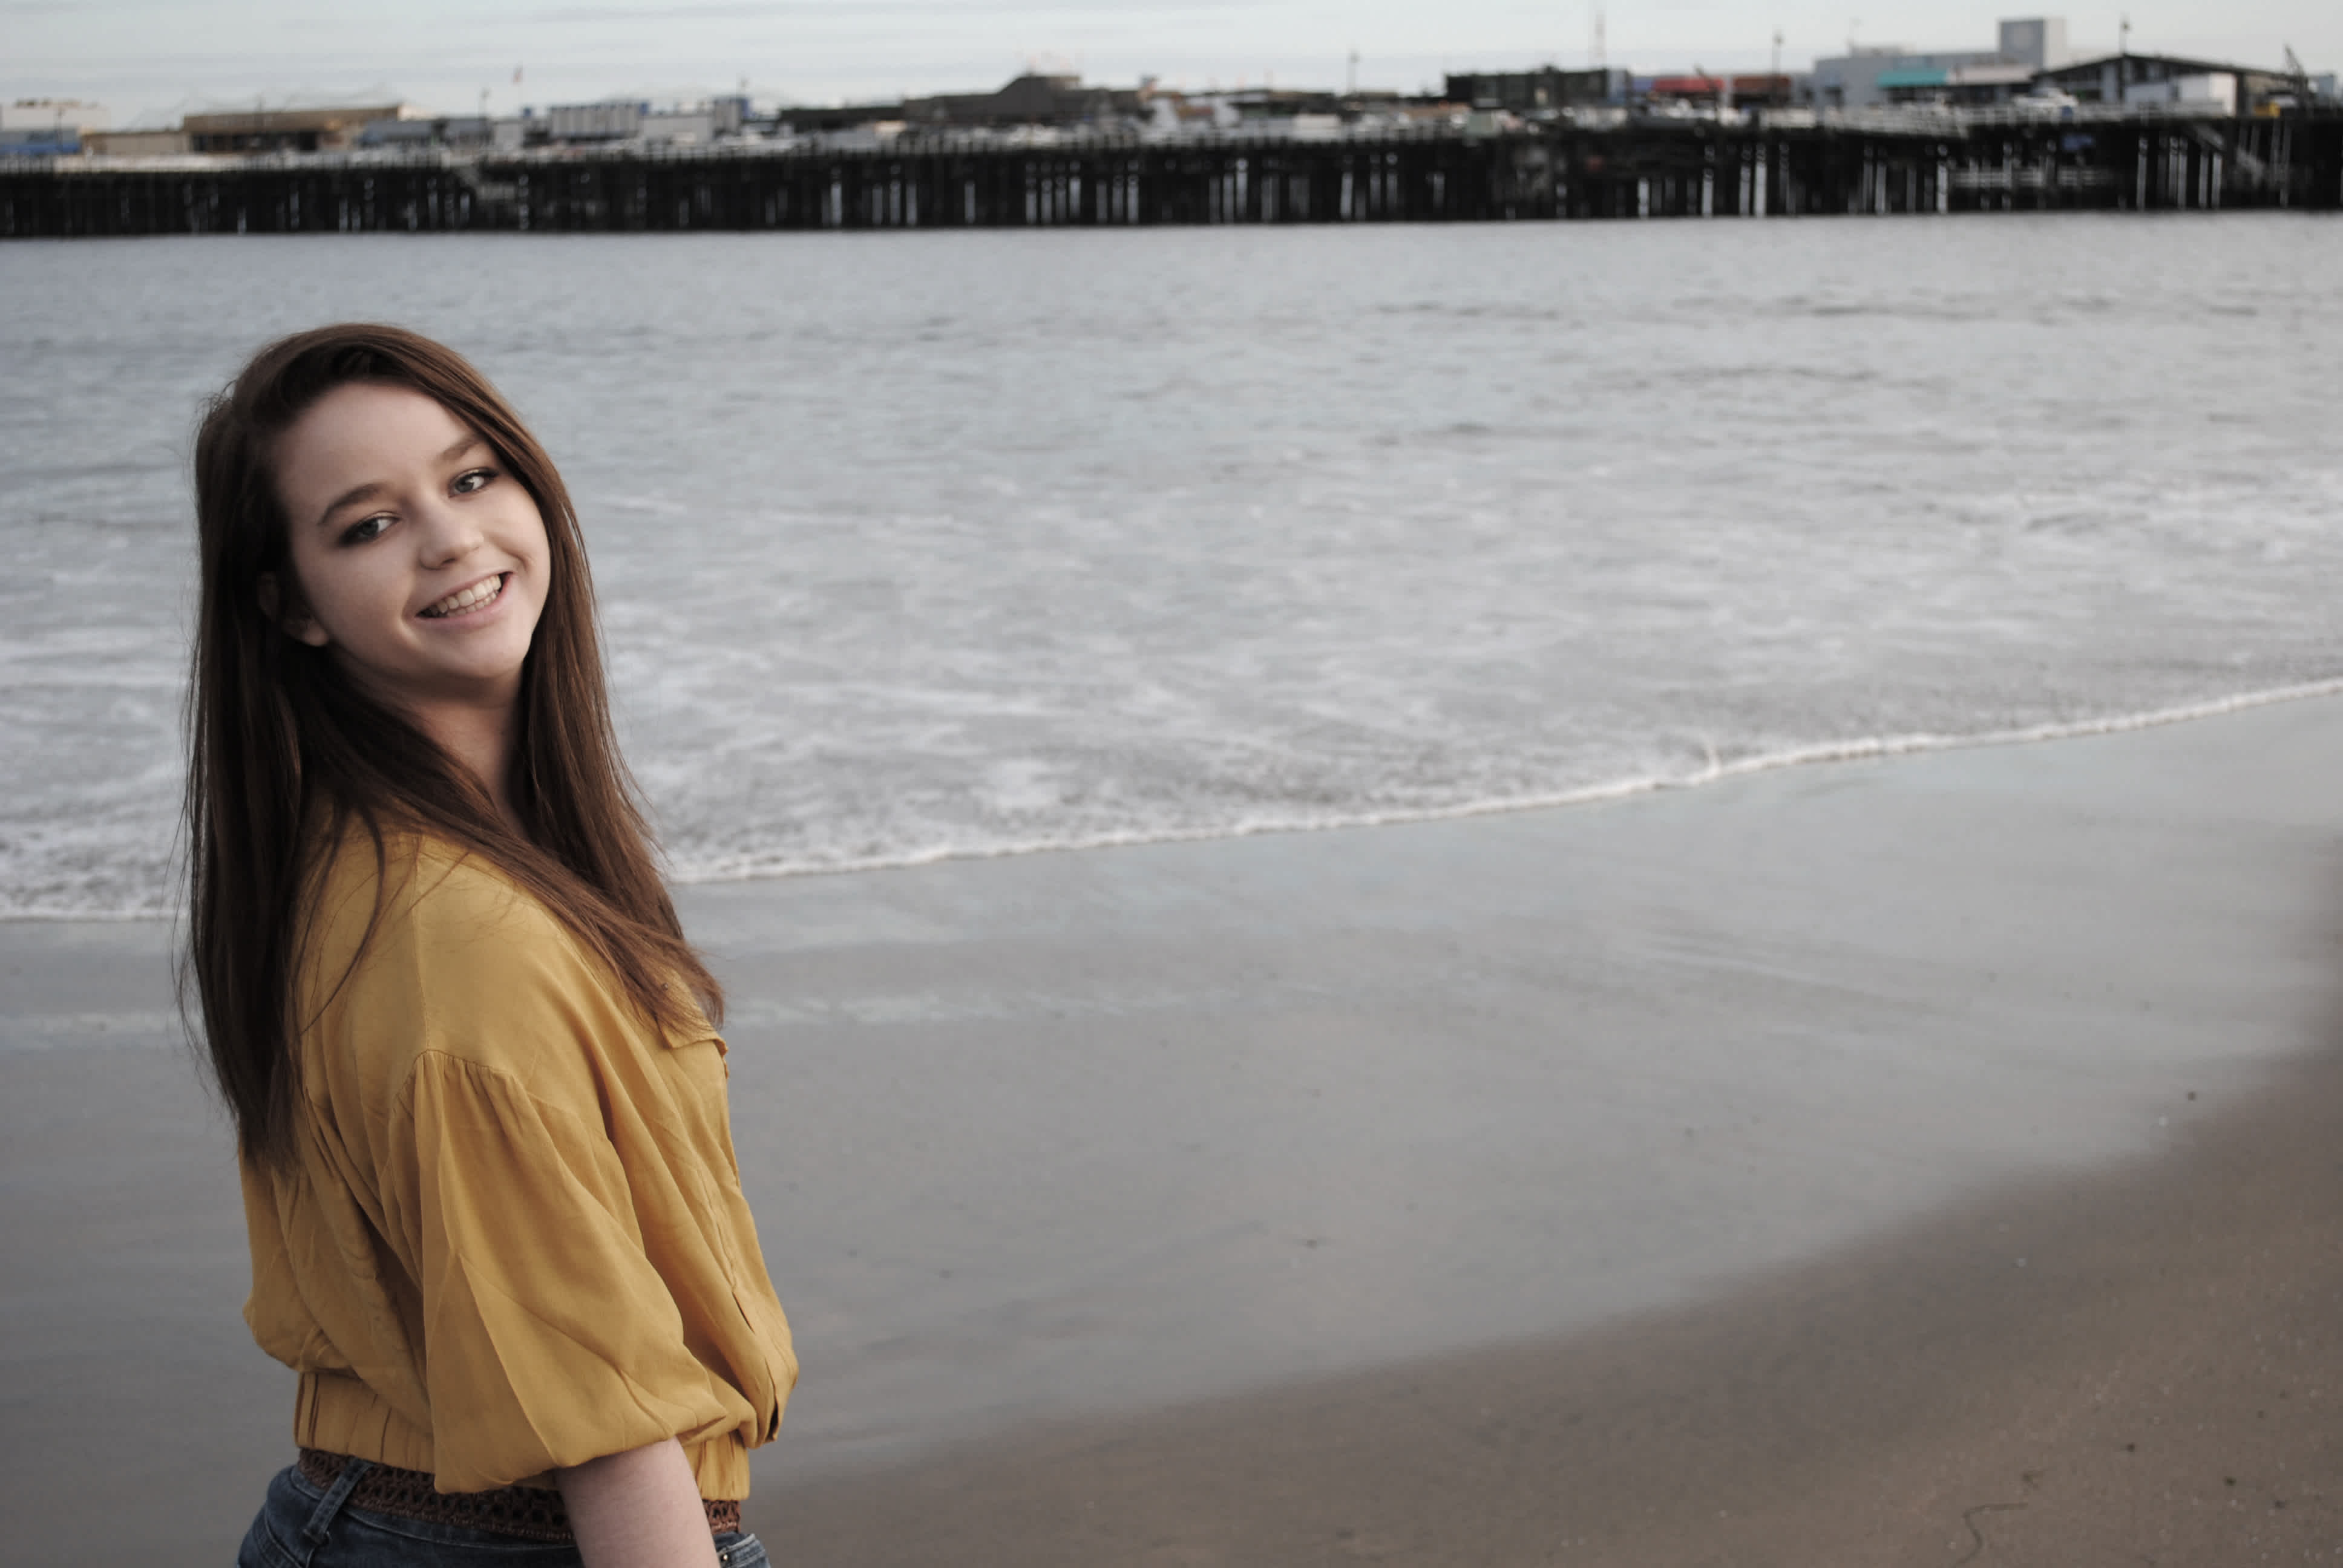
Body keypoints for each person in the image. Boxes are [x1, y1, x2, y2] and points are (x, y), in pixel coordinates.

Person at [186, 324, 795, 1567]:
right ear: (289, 607)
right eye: (366, 525)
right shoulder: (462, 939)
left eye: (470, 478)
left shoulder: (371, 863)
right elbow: (603, 1424)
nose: (452, 536)